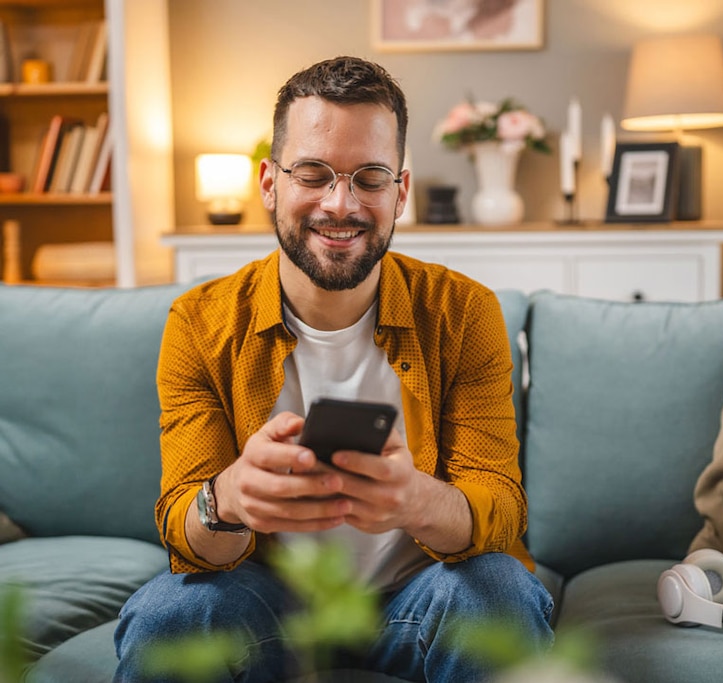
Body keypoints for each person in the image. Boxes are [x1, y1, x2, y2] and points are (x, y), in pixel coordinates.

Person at [114, 55, 554, 683]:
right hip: (267, 602)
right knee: (170, 615)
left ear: (399, 191)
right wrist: (233, 495)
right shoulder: (198, 322)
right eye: (313, 174)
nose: (339, 204)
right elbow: (185, 535)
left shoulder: (464, 312)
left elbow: (502, 510)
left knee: (499, 596)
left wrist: (415, 499)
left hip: (419, 594)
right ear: (269, 182)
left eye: (369, 177)